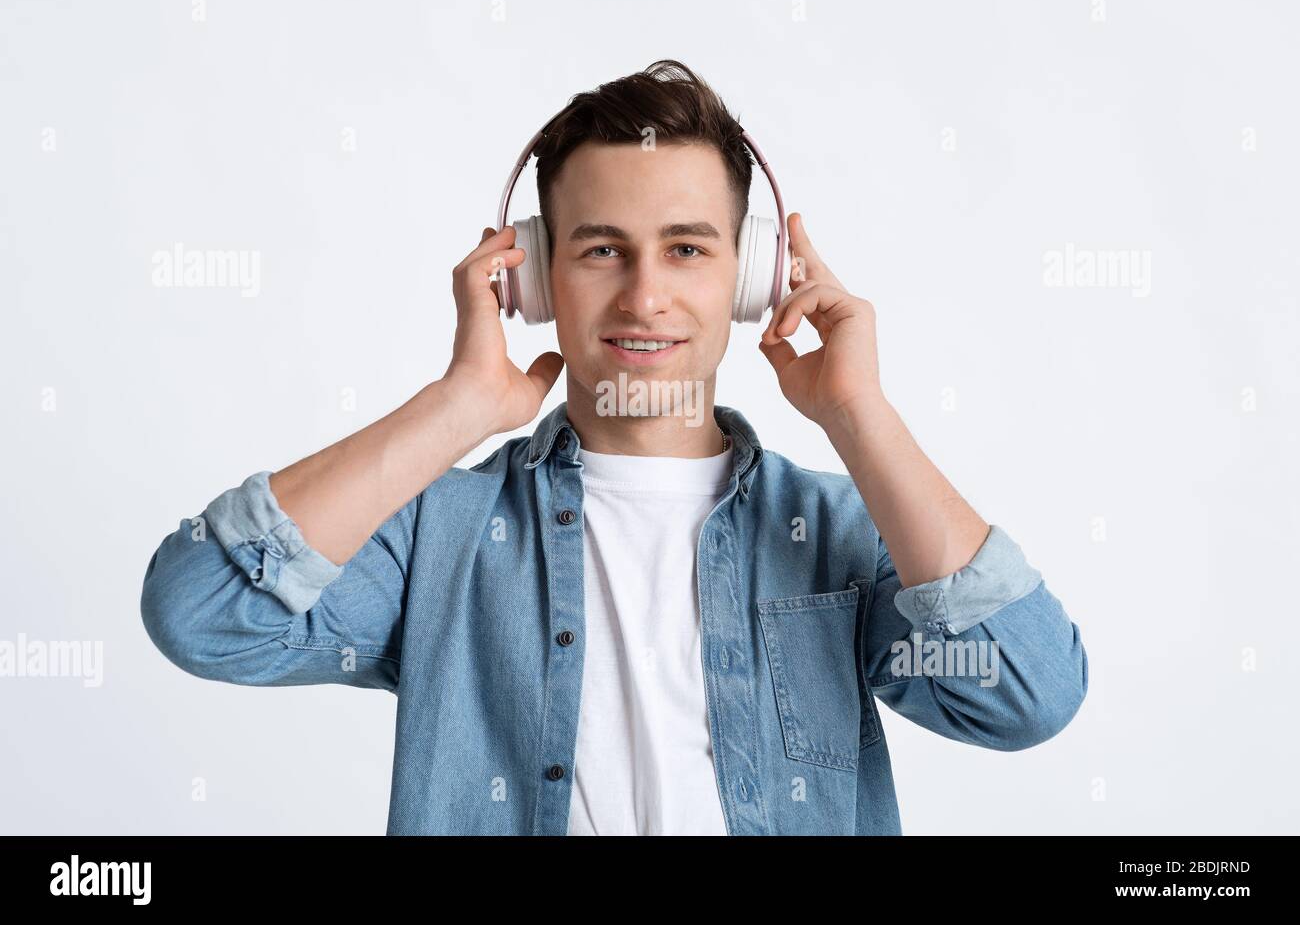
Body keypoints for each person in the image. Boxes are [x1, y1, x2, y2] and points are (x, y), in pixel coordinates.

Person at [140, 59, 1087, 835]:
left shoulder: (842, 531)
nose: (643, 296)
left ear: (754, 277)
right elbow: (202, 613)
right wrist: (459, 407)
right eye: (601, 250)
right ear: (533, 277)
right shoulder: (441, 535)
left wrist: (858, 413)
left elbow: (1027, 696)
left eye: (687, 248)